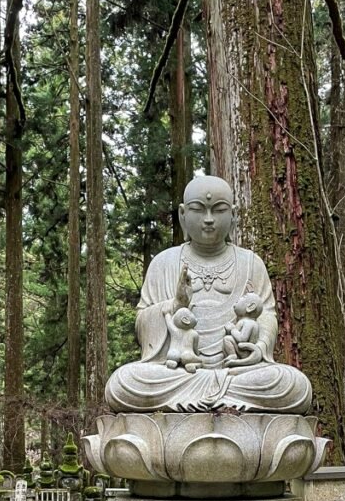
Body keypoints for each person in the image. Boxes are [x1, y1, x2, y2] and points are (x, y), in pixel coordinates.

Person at [104, 175, 312, 414]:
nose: (209, 219)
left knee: (294, 385)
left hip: (237, 372)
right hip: (180, 373)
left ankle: (211, 399)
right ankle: (219, 402)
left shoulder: (251, 263)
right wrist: (176, 304)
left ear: (233, 215)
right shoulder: (164, 263)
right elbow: (143, 324)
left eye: (219, 210)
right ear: (183, 214)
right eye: (198, 210)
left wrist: (258, 348)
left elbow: (267, 317)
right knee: (123, 383)